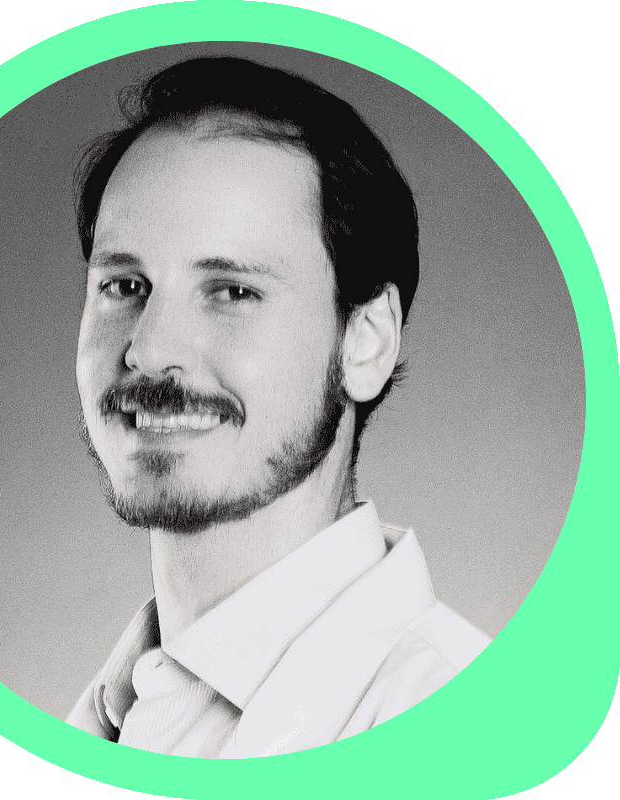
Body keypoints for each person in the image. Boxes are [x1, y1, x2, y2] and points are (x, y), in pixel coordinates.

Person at [66, 56, 490, 758]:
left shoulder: (467, 736)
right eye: (125, 285)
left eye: (232, 291)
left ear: (366, 341)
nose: (148, 349)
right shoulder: (115, 715)